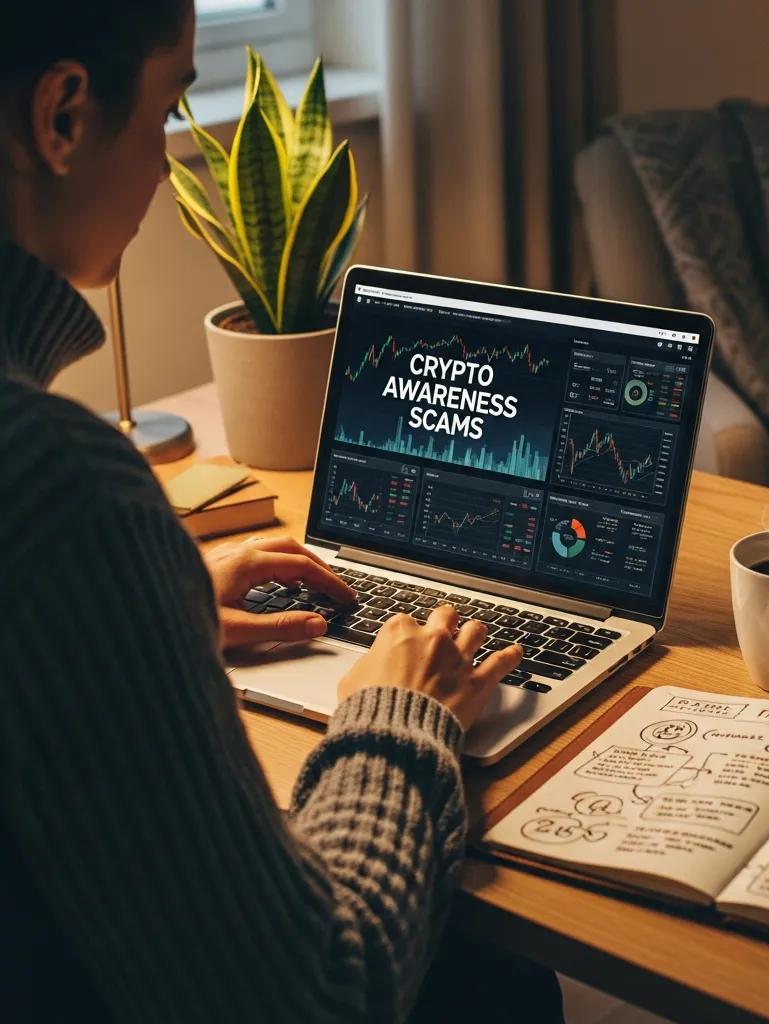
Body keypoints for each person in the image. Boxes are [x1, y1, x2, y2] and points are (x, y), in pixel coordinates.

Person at [0, 3, 562, 1020]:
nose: (172, 167)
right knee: (502, 982)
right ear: (64, 118)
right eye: (169, 107)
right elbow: (312, 995)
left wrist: (142, 620)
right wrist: (404, 715)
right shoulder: (57, 487)